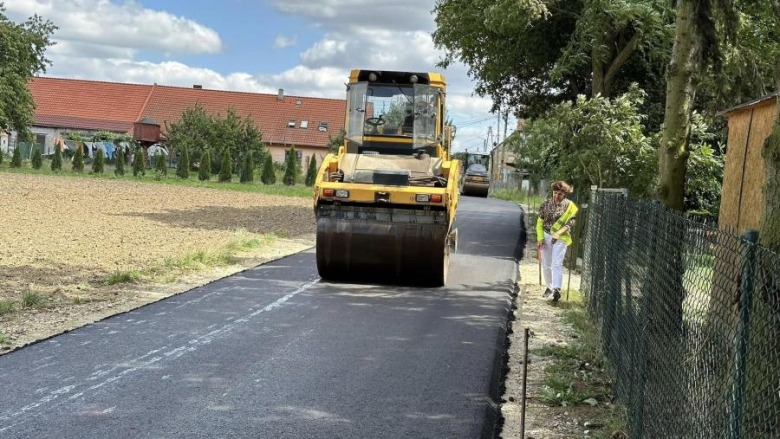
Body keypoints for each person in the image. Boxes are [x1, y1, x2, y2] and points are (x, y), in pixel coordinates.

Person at [536, 181, 578, 302]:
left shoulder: (569, 206)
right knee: (546, 264)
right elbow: (539, 223)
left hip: (561, 238)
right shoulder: (545, 204)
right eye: (555, 193)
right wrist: (540, 238)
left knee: (556, 263)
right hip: (546, 236)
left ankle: (556, 289)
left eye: (560, 194)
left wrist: (558, 233)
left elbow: (571, 223)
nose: (557, 196)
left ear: (564, 194)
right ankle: (549, 287)